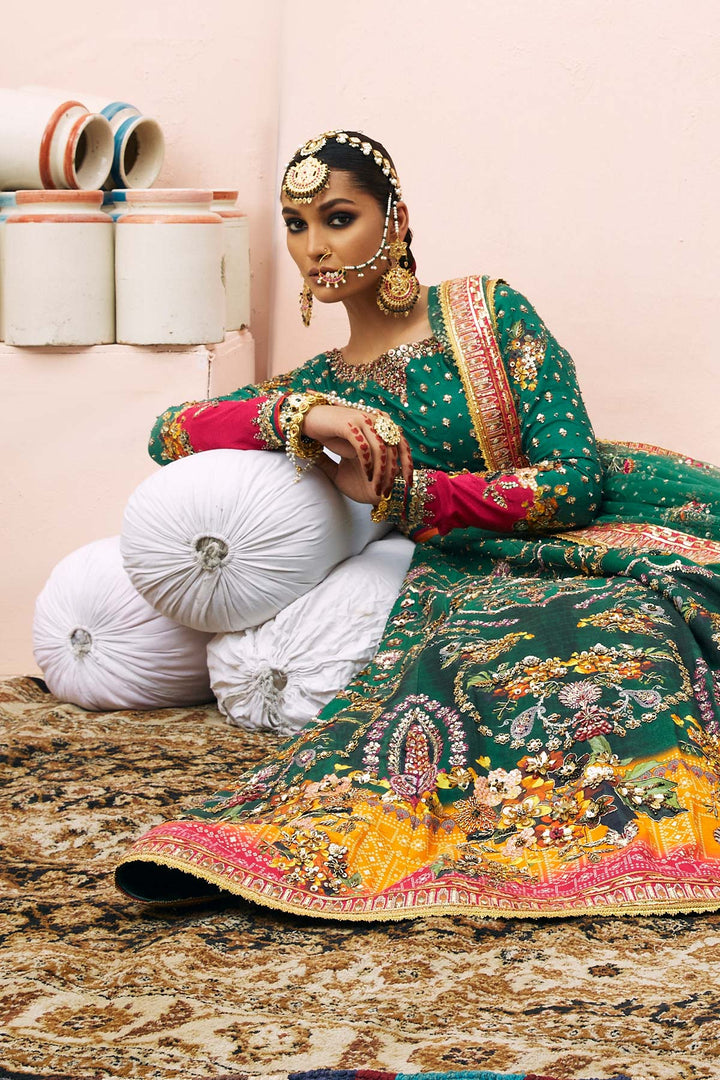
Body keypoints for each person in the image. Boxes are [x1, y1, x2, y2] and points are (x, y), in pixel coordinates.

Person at [115, 130, 720, 920]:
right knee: (484, 661)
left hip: (613, 517)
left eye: (338, 218)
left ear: (396, 222)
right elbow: (170, 431)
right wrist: (302, 414)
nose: (313, 247)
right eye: (296, 225)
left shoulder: (487, 311)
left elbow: (572, 485)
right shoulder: (324, 384)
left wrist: (413, 495)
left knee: (630, 622)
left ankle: (656, 836)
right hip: (473, 566)